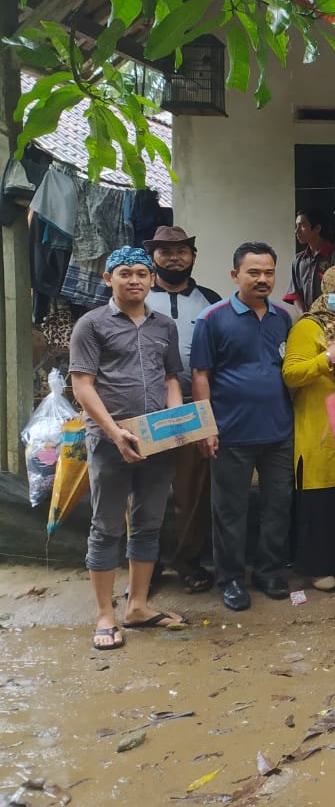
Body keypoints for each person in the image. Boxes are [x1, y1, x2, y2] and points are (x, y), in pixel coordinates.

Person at [70, 247, 188, 650]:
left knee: (149, 523)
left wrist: (173, 423)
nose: (134, 280)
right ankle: (105, 613)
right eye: (125, 273)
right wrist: (115, 433)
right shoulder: (91, 324)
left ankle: (137, 606)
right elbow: (83, 385)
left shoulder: (164, 326)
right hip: (109, 441)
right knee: (105, 527)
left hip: (156, 441)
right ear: (108, 279)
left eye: (142, 273)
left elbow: (172, 378)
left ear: (152, 280)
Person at [191, 242, 295, 612]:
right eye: (254, 272)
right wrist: (207, 428)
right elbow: (200, 375)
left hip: (279, 432)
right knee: (230, 510)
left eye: (268, 272)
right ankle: (231, 578)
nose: (262, 279)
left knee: (278, 505)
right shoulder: (212, 319)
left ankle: (268, 571)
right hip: (231, 433)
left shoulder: (284, 318)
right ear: (235, 275)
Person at [145, 225, 221, 594]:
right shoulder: (137, 296)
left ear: (193, 256)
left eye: (181, 251)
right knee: (145, 491)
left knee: (192, 492)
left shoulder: (211, 300)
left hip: (194, 407)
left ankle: (188, 561)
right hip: (145, 410)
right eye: (165, 251)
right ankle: (147, 565)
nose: (174, 257)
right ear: (153, 257)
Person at [282, 265, 335, 592]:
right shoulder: (308, 327)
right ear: (326, 290)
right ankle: (317, 567)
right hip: (318, 426)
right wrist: (328, 357)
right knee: (320, 498)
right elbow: (290, 374)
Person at [284, 208, 335, 314]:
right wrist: (304, 316)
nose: (296, 231)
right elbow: (295, 295)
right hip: (309, 321)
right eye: (296, 226)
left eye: (302, 226)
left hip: (334, 321)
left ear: (317, 228)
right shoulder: (298, 261)